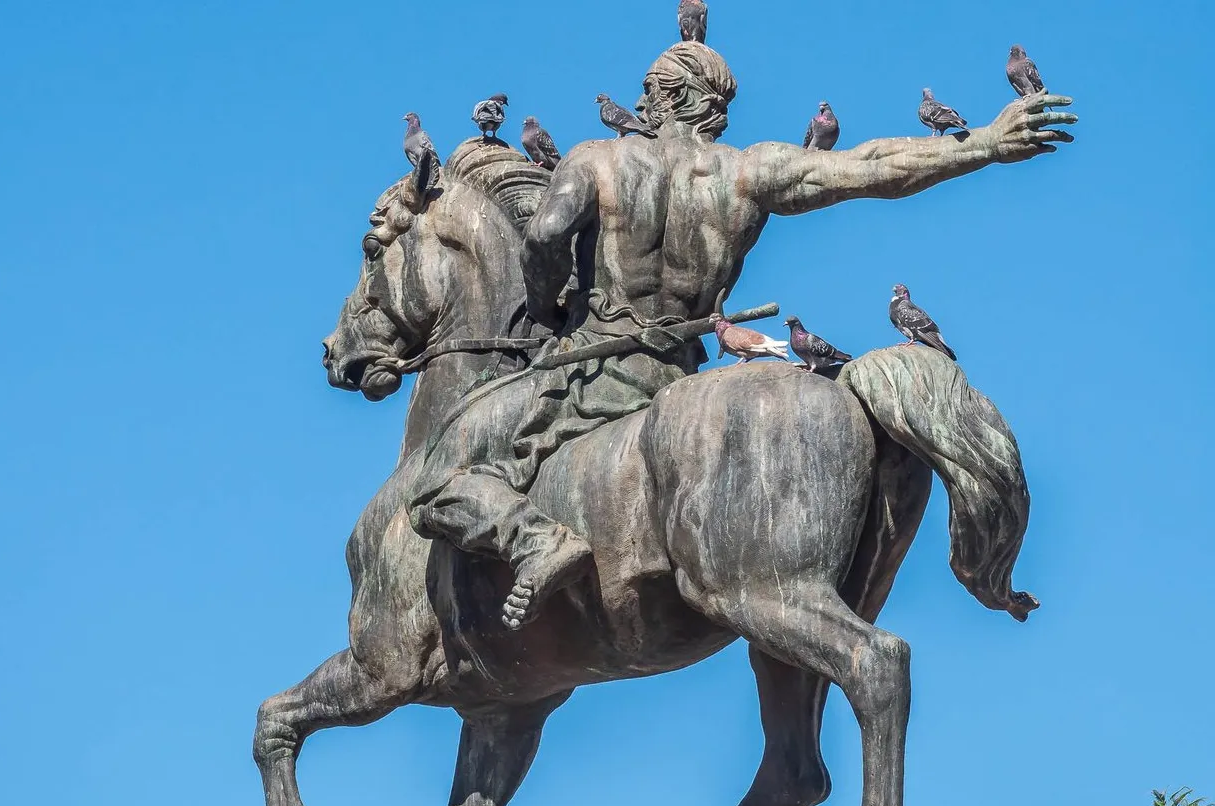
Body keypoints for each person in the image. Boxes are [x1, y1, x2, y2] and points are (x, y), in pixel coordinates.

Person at [407, 42, 1073, 630]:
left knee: (437, 480)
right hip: (672, 376)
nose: (640, 100)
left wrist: (553, 309)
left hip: (590, 371)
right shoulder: (746, 171)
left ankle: (532, 541)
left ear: (669, 97)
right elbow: (869, 166)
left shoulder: (597, 160)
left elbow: (548, 235)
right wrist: (986, 141)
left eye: (648, 90)